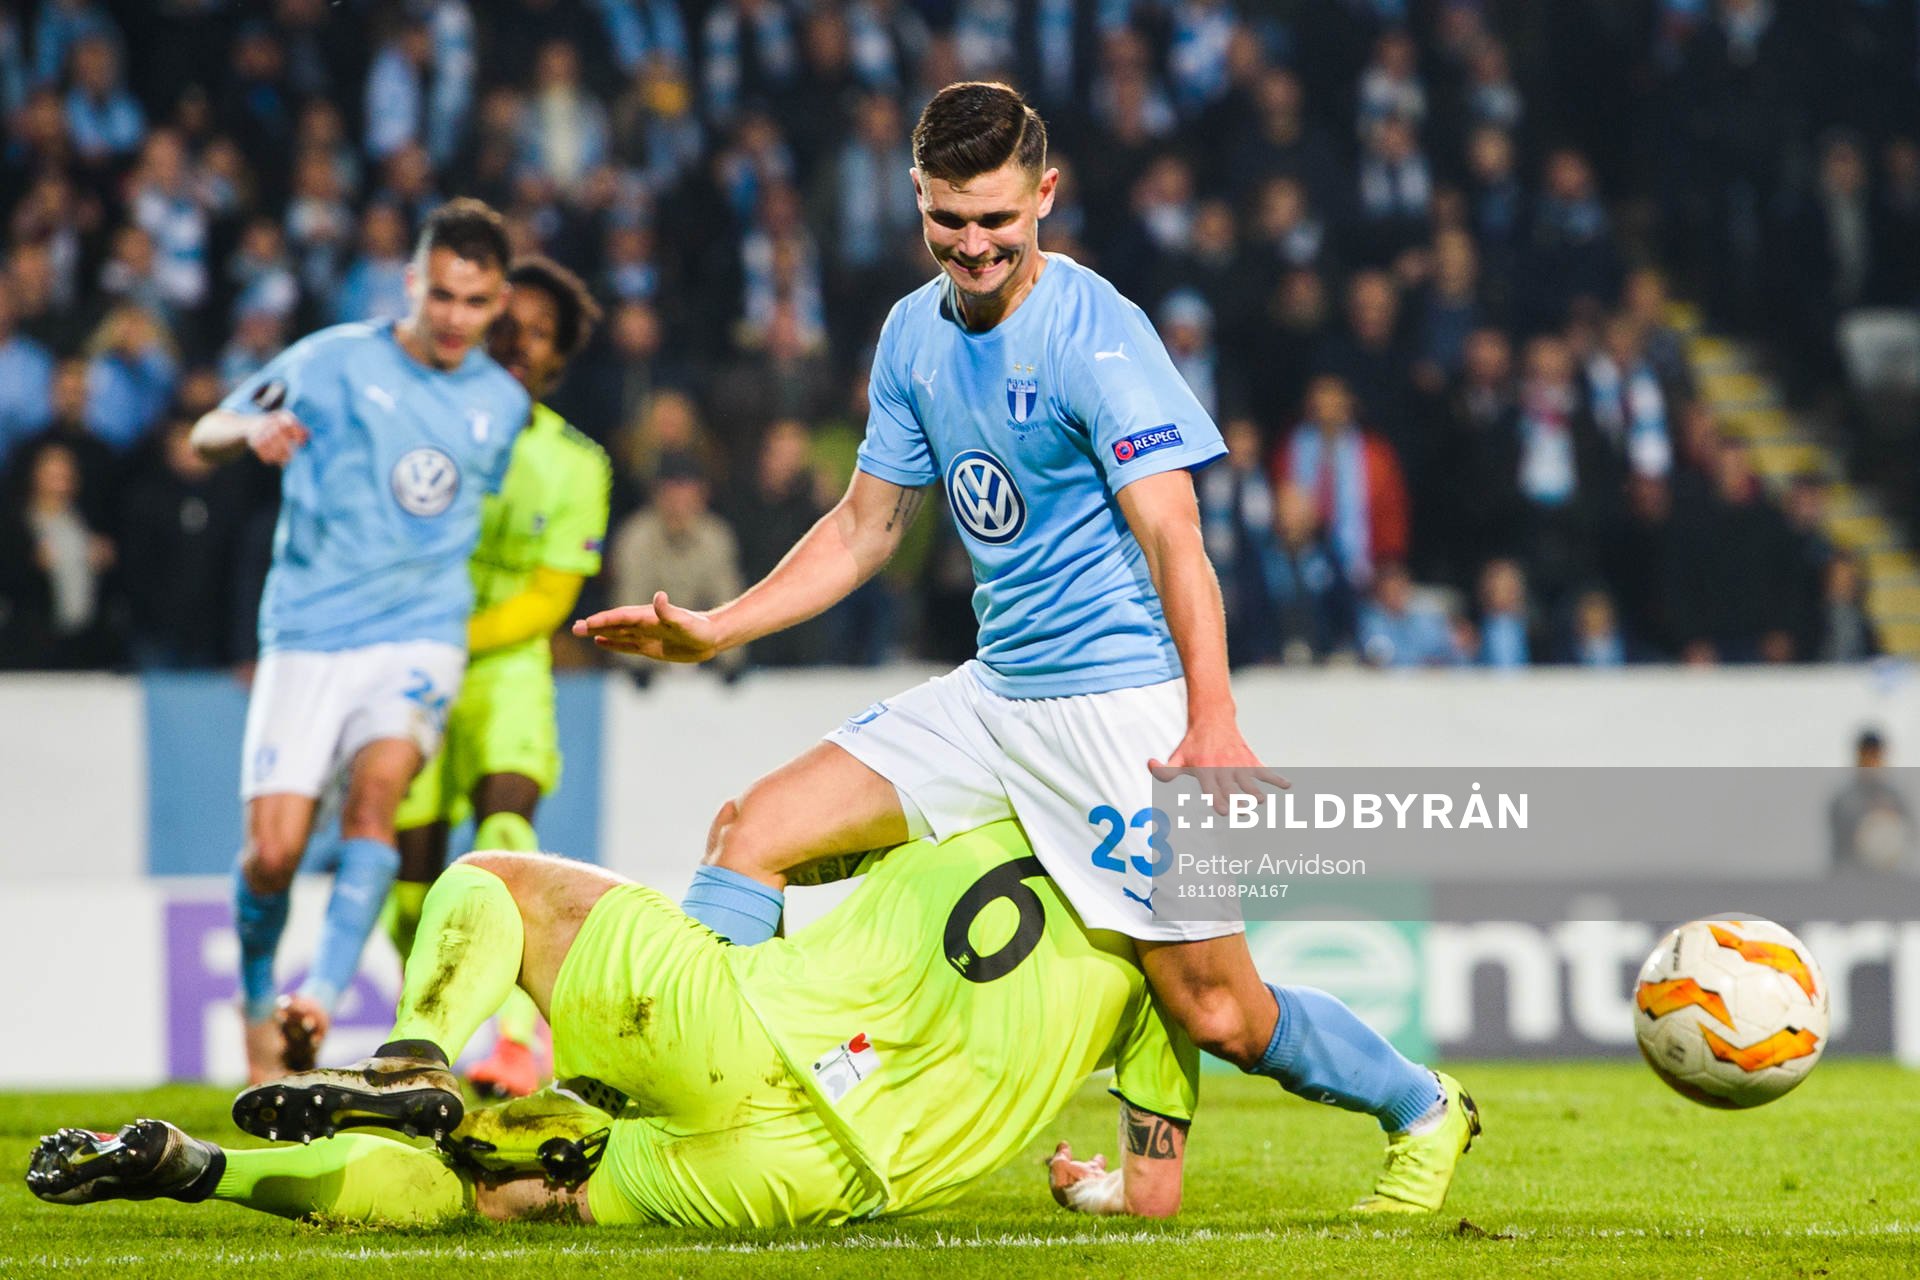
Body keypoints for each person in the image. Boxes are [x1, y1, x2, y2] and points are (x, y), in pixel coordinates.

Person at [578, 82, 1478, 1212]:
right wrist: (718, 626)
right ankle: (700, 1106)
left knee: (1220, 1011)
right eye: (948, 219)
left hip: (1121, 713)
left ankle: (1423, 1106)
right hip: (995, 696)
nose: (974, 245)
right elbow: (863, 528)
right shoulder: (912, 333)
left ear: (1045, 194)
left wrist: (1212, 718)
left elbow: (1175, 534)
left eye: (997, 219)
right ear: (917, 197)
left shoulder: (1096, 334)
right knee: (750, 833)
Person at [31, 823, 1198, 1226]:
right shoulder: (1180, 964)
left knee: (494, 878)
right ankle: (196, 1167)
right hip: (808, 1176)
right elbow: (1152, 1195)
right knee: (493, 1196)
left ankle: (412, 1056)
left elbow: (765, 831)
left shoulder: (991, 785)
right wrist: (1089, 1185)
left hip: (740, 1024)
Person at [189, 198, 529, 1084]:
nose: (456, 318)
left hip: (419, 636)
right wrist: (251, 430)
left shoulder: (501, 405)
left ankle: (320, 1001)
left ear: (499, 302)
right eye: (443, 295)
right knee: (272, 854)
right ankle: (258, 1002)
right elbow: (207, 430)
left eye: (477, 302)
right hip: (308, 631)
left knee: (377, 802)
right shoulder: (330, 360)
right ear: (412, 283)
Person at [389, 255, 612, 1100]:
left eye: (542, 333)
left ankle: (518, 1048)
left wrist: (450, 635)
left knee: (506, 836)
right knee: (410, 888)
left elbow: (549, 599)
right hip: (412, 675)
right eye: (510, 325)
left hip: (505, 673)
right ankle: (426, 1041)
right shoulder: (419, 431)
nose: (522, 342)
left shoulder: (578, 463)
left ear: (560, 355)